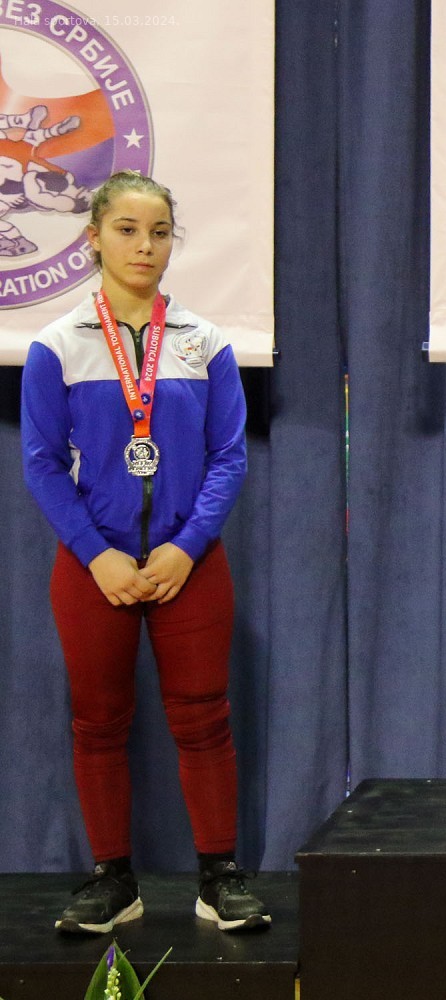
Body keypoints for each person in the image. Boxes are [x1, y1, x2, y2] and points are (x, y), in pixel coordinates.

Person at [20, 171, 269, 933]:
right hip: (93, 568)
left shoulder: (204, 343)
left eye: (159, 232)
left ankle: (218, 877)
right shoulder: (57, 346)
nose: (144, 246)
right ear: (92, 238)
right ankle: (113, 881)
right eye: (126, 230)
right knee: (98, 723)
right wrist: (96, 554)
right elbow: (40, 463)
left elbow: (229, 457)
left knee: (204, 719)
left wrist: (187, 547)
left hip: (188, 566)